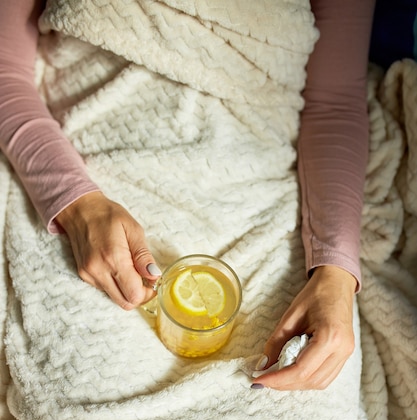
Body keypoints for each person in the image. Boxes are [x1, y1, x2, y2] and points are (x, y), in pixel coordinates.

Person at [0, 0, 379, 390]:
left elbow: (333, 105)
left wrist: (335, 273)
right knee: (75, 387)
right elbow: (4, 70)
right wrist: (76, 203)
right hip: (82, 168)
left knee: (308, 417)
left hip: (259, 184)